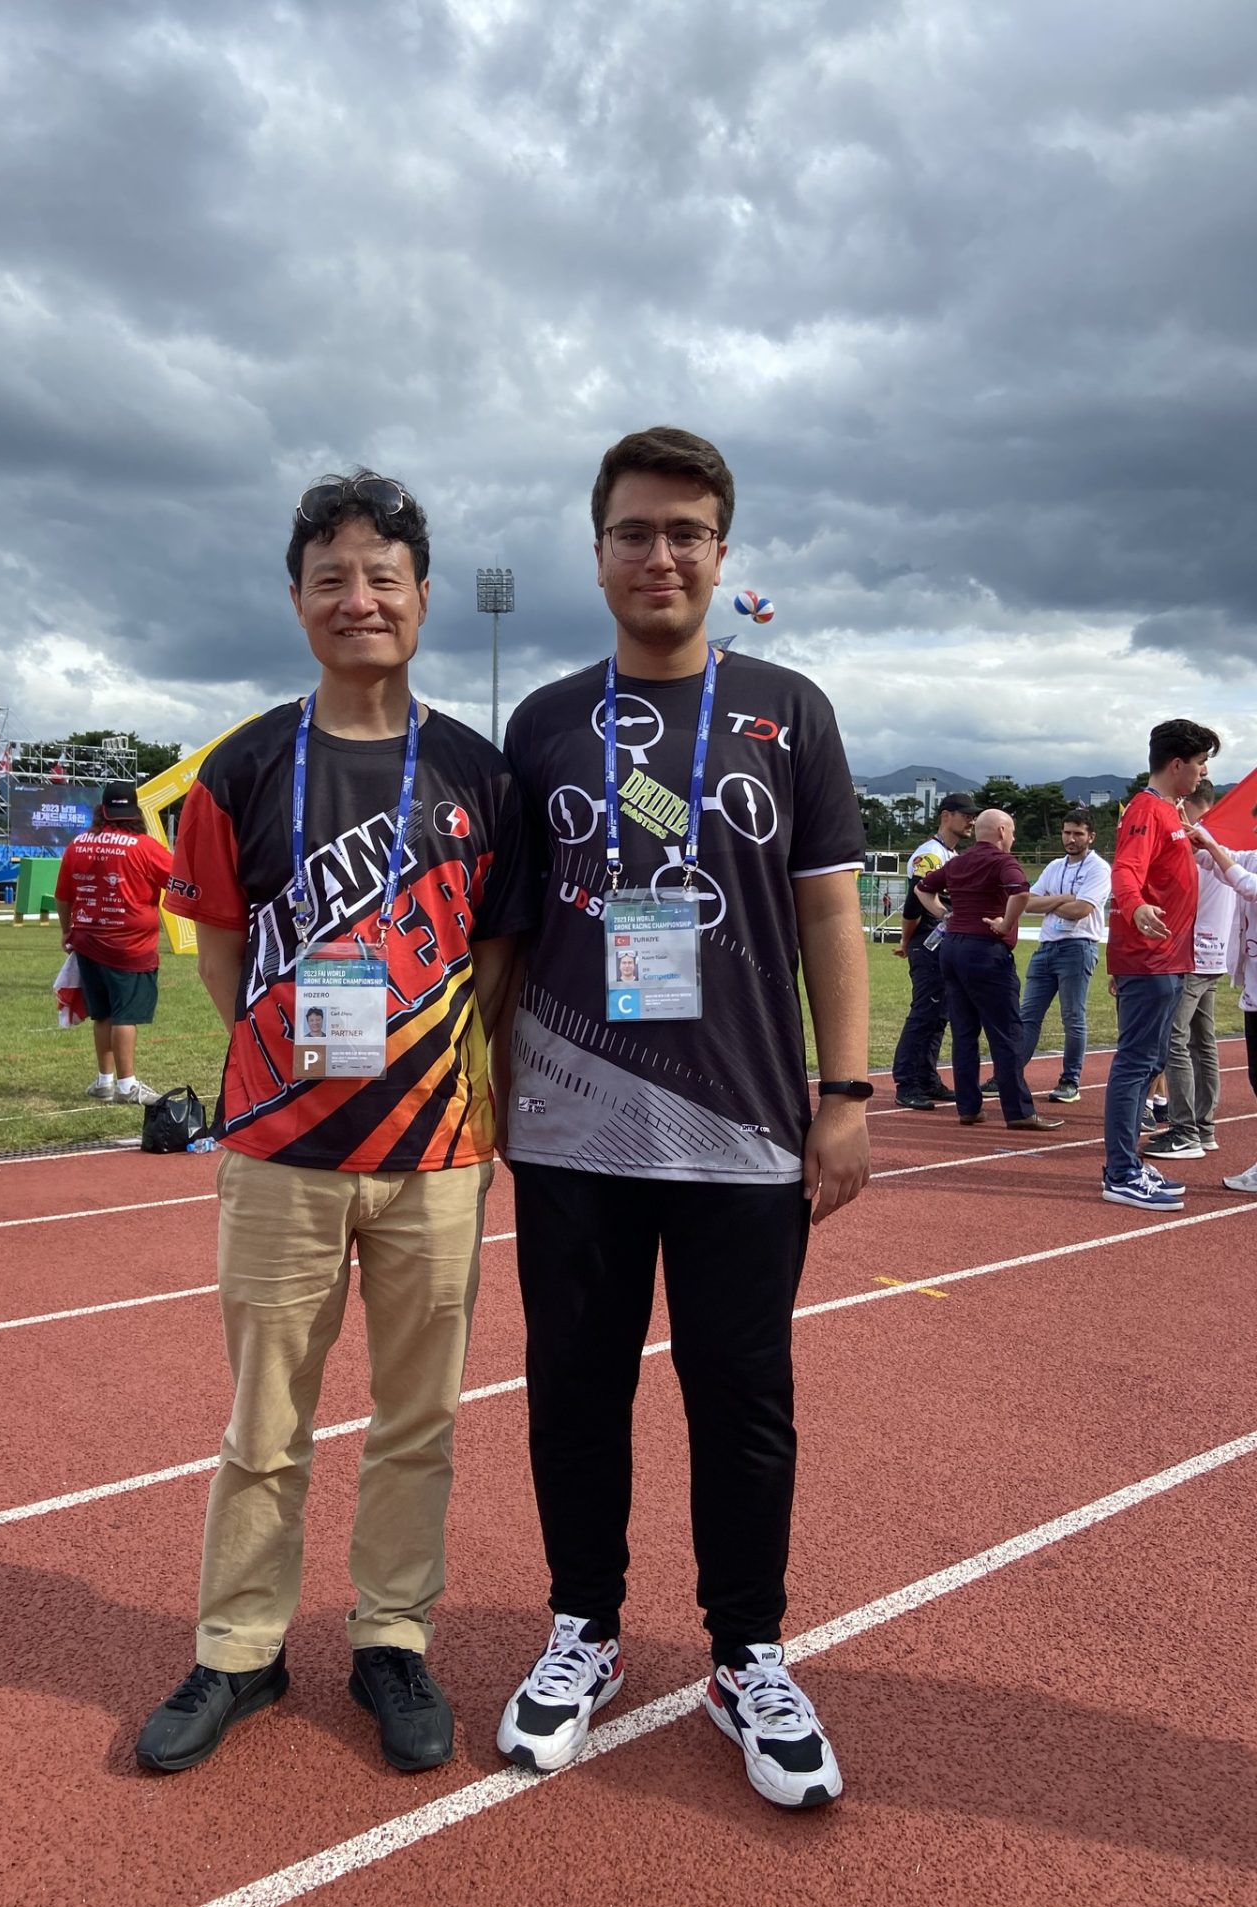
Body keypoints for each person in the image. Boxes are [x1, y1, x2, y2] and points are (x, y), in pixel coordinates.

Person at [135, 471, 537, 1778]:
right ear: (299, 599)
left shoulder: (481, 772)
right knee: (263, 1424)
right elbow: (220, 950)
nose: (359, 598)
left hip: (438, 1157)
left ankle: (391, 1637)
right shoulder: (244, 766)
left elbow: (495, 960)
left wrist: (446, 1083)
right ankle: (240, 1648)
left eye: (383, 576)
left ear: (422, 596)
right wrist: (284, 1069)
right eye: (332, 578)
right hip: (278, 1155)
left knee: (419, 1420)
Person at [494, 426, 870, 1812]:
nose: (661, 555)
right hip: (572, 1123)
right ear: (596, 553)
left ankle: (746, 1654)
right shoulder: (542, 723)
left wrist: (846, 1097)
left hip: (746, 1130)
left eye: (687, 533)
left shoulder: (790, 708)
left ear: (722, 553)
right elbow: (506, 935)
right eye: (635, 532)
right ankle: (583, 1627)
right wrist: (486, 1089)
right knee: (574, 1391)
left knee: (745, 1401)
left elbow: (831, 915)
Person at [1101, 718, 1220, 1211]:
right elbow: (1126, 869)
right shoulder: (1146, 810)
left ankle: (1128, 1162)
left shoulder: (1170, 813)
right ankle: (1120, 1172)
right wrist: (1135, 908)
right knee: (1135, 1063)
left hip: (1168, 959)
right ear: (1176, 765)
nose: (1203, 772)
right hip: (1149, 959)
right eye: (1200, 763)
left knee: (1150, 1062)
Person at [914, 810, 1064, 1131]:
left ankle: (969, 1107)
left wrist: (945, 914)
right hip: (986, 950)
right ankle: (1019, 1111)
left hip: (952, 949)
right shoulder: (1002, 861)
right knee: (1006, 1032)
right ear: (1001, 831)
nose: (1014, 838)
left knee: (964, 1032)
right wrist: (1006, 923)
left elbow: (922, 888)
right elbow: (1021, 892)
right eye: (1012, 832)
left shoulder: (957, 862)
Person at [54, 782, 173, 1106]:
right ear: (134, 813)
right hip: (130, 947)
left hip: (87, 942)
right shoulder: (144, 847)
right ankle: (126, 1085)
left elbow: (62, 895)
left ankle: (105, 1081)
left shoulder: (78, 844)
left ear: (101, 810)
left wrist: (66, 931)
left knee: (102, 1014)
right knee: (125, 1015)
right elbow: (178, 879)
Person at [985, 808, 1112, 1103]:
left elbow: (1082, 910)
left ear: (1091, 837)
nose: (1071, 839)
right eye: (1067, 832)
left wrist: (1050, 903)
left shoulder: (1099, 869)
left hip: (1078, 947)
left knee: (1072, 1017)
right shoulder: (1055, 866)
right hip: (1047, 947)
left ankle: (1070, 1081)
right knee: (1027, 1016)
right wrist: (1063, 899)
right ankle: (1008, 1075)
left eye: (1078, 833)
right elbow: (1028, 903)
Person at [1143, 781, 1232, 1160]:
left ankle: (1184, 1131)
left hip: (1192, 954)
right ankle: (1203, 1127)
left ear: (1184, 803)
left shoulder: (1193, 840)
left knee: (1175, 1040)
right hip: (1215, 953)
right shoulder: (1219, 841)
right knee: (1202, 1042)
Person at [891, 794, 976, 1109]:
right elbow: (915, 903)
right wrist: (907, 941)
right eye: (966, 815)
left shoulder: (951, 855)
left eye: (974, 816)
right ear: (946, 816)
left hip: (944, 942)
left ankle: (927, 1079)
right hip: (928, 940)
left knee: (940, 1015)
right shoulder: (929, 855)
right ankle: (906, 1082)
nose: (971, 821)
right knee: (925, 1012)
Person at [1185, 816, 1257, 1192]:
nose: (1255, 831)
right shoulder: (1253, 857)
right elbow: (1219, 861)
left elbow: (1247, 886)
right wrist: (1190, 836)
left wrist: (1210, 845)